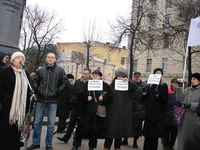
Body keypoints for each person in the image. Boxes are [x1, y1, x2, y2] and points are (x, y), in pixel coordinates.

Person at [27, 52, 65, 150]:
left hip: (53, 101)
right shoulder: (40, 70)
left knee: (51, 124)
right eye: (48, 57)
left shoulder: (60, 70)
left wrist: (57, 91)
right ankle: (36, 143)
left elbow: (64, 84)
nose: (50, 59)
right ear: (46, 59)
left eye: (52, 57)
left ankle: (48, 145)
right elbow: (35, 81)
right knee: (37, 122)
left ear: (55, 59)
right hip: (40, 99)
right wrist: (37, 90)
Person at [0, 51, 30, 150]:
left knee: (17, 129)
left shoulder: (25, 74)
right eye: (17, 58)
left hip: (20, 108)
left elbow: (29, 90)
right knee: (6, 128)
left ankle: (14, 145)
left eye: (22, 58)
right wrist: (5, 98)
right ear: (13, 60)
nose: (20, 60)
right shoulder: (5, 71)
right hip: (7, 106)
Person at [104, 68, 139, 150]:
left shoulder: (128, 85)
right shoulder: (112, 85)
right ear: (116, 76)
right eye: (119, 76)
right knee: (109, 135)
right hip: (112, 114)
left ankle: (117, 148)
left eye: (123, 76)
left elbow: (137, 90)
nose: (121, 77)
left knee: (118, 136)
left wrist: (128, 81)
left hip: (122, 115)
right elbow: (107, 98)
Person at [143, 68, 168, 150]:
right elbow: (143, 99)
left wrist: (159, 96)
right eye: (156, 73)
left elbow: (165, 100)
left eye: (159, 74)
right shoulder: (149, 86)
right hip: (149, 116)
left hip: (157, 117)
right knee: (147, 137)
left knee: (154, 138)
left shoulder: (163, 86)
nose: (158, 75)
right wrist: (144, 93)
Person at [122, 72, 145, 148]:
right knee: (127, 125)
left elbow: (144, 96)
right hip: (130, 108)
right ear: (133, 77)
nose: (136, 78)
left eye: (138, 77)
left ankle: (135, 142)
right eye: (135, 77)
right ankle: (125, 140)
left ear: (140, 77)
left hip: (139, 109)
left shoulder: (143, 85)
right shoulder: (129, 84)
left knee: (137, 127)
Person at [178, 73, 200, 150]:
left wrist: (190, 105)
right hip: (185, 118)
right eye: (191, 79)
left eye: (194, 79)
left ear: (199, 81)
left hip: (196, 120)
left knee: (194, 141)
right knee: (184, 140)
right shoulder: (187, 90)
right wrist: (179, 87)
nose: (192, 80)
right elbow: (180, 99)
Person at [162, 79, 178, 150]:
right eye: (174, 83)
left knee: (174, 133)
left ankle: (171, 145)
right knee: (166, 132)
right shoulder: (167, 91)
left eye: (176, 84)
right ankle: (166, 145)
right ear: (171, 83)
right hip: (167, 115)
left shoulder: (179, 92)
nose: (175, 85)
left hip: (176, 116)